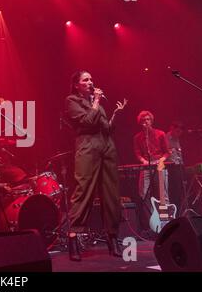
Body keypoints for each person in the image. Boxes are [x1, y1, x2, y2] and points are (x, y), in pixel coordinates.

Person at [64, 70, 126, 261]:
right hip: (87, 147)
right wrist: (96, 102)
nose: (91, 82)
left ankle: (112, 238)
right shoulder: (72, 101)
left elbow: (107, 128)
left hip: (107, 148)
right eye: (86, 80)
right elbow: (87, 122)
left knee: (111, 194)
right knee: (83, 191)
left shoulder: (95, 101)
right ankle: (73, 238)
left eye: (91, 79)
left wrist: (115, 114)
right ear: (77, 84)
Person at [133, 111, 171, 233]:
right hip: (146, 166)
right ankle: (151, 223)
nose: (146, 122)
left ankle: (166, 222)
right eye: (144, 120)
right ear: (140, 123)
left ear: (152, 121)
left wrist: (161, 159)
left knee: (163, 194)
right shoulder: (137, 137)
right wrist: (143, 160)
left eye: (148, 119)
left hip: (159, 165)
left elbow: (167, 152)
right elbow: (137, 153)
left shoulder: (160, 134)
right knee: (144, 194)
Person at [166, 121, 186, 212]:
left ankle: (180, 211)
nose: (179, 133)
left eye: (180, 132)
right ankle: (173, 211)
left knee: (180, 190)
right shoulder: (166, 138)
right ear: (172, 128)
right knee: (173, 191)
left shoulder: (178, 139)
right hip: (170, 167)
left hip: (179, 167)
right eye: (177, 131)